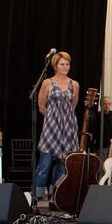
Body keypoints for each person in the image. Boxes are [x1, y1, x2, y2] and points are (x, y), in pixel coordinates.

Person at [35, 51, 79, 200]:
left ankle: (56, 196)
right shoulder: (47, 83)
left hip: (68, 128)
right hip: (51, 128)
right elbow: (41, 106)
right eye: (62, 64)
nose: (65, 67)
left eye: (67, 64)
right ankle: (38, 197)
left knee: (63, 164)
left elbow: (73, 104)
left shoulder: (74, 84)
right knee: (45, 164)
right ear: (55, 65)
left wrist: (64, 118)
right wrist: (53, 118)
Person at [90, 96, 112, 160]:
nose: (107, 106)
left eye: (109, 104)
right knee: (103, 165)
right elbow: (93, 131)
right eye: (105, 104)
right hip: (101, 146)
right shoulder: (97, 115)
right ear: (101, 105)